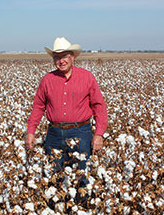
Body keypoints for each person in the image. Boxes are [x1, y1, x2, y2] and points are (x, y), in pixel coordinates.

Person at [26, 37, 108, 174]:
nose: (61, 61)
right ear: (53, 60)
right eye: (57, 57)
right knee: (53, 175)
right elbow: (38, 107)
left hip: (81, 132)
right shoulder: (47, 80)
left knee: (82, 175)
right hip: (54, 134)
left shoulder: (87, 77)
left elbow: (98, 106)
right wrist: (30, 131)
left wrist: (99, 134)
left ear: (72, 57)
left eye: (64, 56)